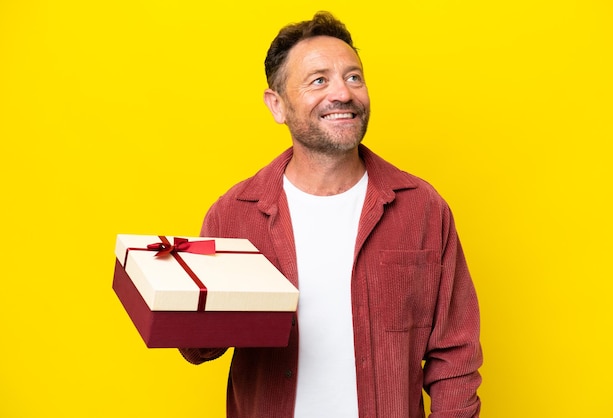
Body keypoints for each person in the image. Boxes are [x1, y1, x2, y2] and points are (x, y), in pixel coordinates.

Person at [180, 11, 482, 418]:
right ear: (277, 105)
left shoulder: (422, 208)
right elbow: (197, 349)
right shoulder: (234, 216)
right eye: (319, 80)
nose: (342, 93)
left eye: (353, 77)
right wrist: (179, 300)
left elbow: (456, 356)